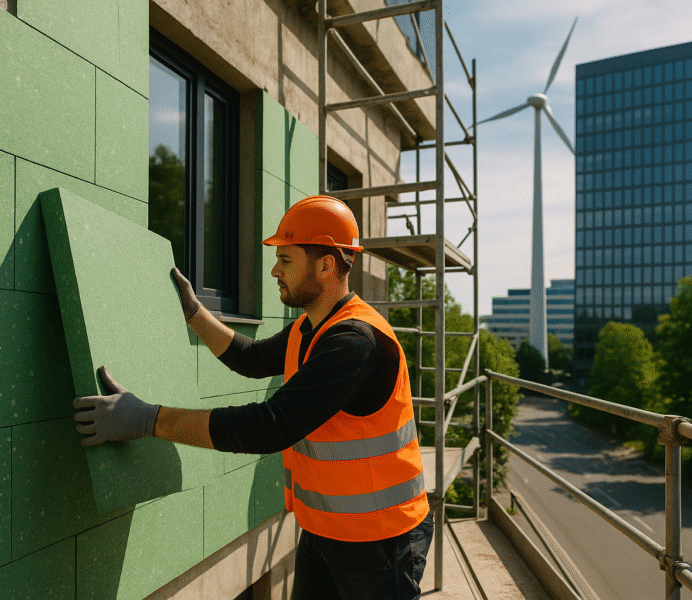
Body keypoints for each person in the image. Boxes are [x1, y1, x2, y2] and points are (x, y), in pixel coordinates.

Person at [73, 195, 433, 600]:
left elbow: (268, 427)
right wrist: (195, 313)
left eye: (287, 259)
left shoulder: (355, 342)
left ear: (326, 265)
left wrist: (149, 420)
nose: (274, 270)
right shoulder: (308, 330)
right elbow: (251, 358)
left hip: (380, 540)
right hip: (326, 531)